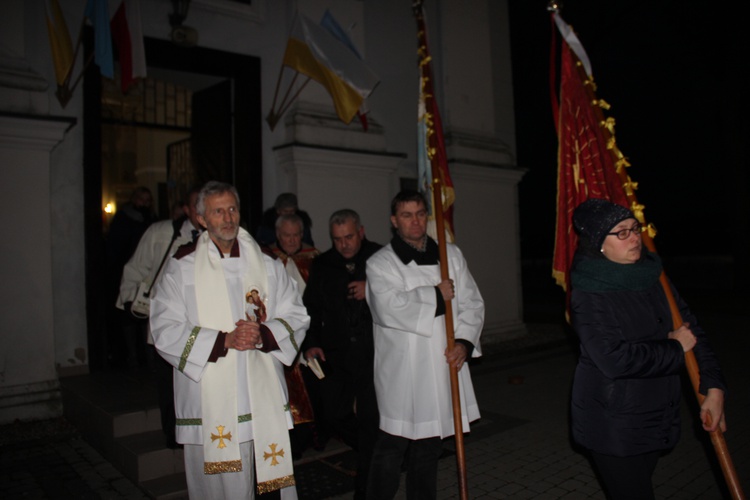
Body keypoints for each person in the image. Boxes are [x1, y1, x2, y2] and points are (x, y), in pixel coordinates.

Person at [150, 181, 310, 499]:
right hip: (208, 397)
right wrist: (223, 341)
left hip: (258, 394)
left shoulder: (266, 263)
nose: (228, 218)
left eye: (232, 209)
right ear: (201, 219)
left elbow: (297, 314)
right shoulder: (181, 268)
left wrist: (264, 333)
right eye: (218, 211)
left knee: (267, 480)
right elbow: (163, 327)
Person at [569, 198, 727, 500]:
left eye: (635, 228)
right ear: (599, 243)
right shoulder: (588, 294)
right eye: (622, 232)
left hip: (657, 416)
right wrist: (674, 347)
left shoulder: (653, 276)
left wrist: (713, 386)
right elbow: (614, 359)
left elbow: (692, 331)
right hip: (613, 424)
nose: (634, 237)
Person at [365, 190, 485, 499]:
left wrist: (464, 343)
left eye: (420, 213)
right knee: (392, 446)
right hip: (404, 373)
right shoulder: (381, 263)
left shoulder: (451, 255)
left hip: (443, 366)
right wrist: (435, 295)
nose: (415, 221)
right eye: (406, 215)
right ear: (394, 221)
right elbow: (388, 308)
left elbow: (473, 303)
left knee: (429, 446)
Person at [301, 209, 382, 500]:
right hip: (335, 353)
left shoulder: (381, 257)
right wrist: (310, 341)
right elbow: (310, 308)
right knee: (332, 415)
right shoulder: (323, 264)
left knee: (371, 422)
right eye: (337, 239)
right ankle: (377, 450)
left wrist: (371, 289)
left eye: (349, 237)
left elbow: (403, 294)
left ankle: (366, 490)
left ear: (360, 231)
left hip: (375, 353)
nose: (344, 245)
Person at [116, 187, 203, 448]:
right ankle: (175, 434)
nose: (200, 212)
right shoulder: (161, 233)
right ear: (186, 209)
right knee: (169, 384)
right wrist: (129, 299)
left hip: (203, 327)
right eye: (194, 206)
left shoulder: (221, 239)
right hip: (168, 325)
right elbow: (136, 266)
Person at [267, 213, 320, 458]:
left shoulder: (313, 258)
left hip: (311, 338)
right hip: (279, 338)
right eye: (286, 235)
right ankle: (290, 444)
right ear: (278, 236)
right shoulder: (265, 260)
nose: (291, 240)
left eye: (295, 235)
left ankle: (314, 437)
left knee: (313, 389)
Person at [105, 186, 155, 368]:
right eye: (142, 199)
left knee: (145, 313)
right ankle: (132, 356)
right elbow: (116, 247)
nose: (145, 203)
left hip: (147, 274)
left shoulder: (151, 220)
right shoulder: (123, 219)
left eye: (148, 200)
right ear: (134, 199)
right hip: (127, 272)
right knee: (128, 315)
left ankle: (148, 356)